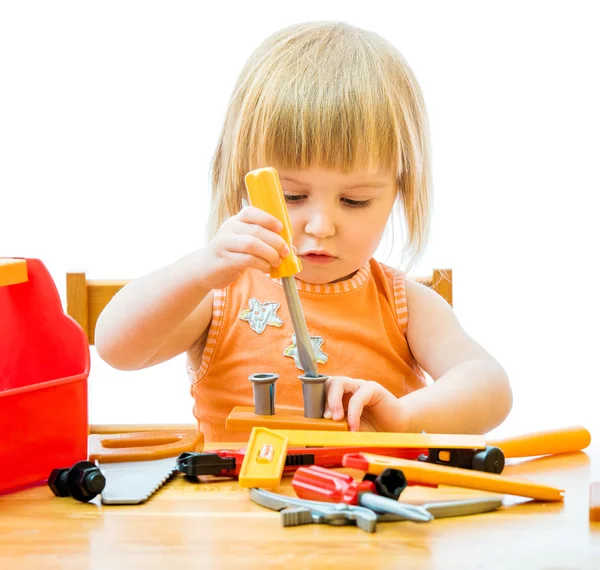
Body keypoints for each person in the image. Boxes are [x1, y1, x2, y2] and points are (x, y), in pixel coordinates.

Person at [95, 21, 512, 442]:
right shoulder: (222, 293)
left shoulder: (403, 305)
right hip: (235, 506)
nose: (320, 226)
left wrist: (404, 415)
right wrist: (201, 268)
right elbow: (117, 349)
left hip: (367, 504)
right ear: (242, 181)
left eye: (355, 201)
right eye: (291, 196)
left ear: (399, 194)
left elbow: (491, 388)